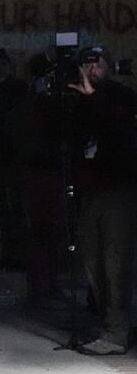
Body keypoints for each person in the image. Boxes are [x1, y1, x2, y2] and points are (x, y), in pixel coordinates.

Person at [67, 47, 137, 355]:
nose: (91, 69)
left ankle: (116, 331)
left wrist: (94, 97)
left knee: (115, 260)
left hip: (118, 189)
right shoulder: (76, 101)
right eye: (86, 64)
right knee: (92, 258)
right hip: (89, 190)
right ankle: (109, 323)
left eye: (98, 63)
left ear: (108, 66)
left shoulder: (120, 96)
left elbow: (121, 129)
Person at [0, 48, 30, 271]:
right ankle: (9, 253)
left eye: (3, 64)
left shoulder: (17, 90)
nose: (0, 68)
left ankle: (18, 255)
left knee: (14, 208)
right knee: (3, 209)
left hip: (13, 158)